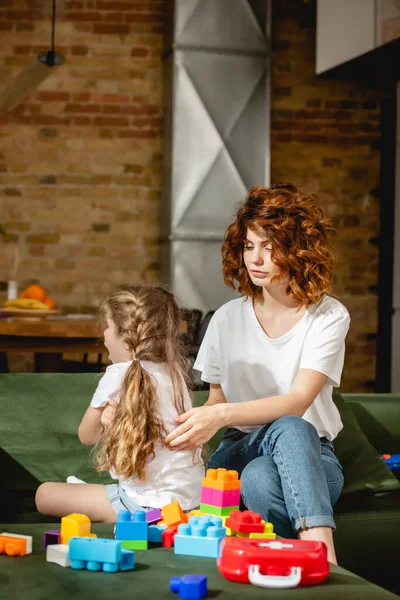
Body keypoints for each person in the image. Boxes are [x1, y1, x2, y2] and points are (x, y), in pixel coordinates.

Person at [165, 183, 350, 564]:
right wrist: (203, 422)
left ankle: (282, 560)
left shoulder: (329, 316)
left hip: (313, 458)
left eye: (270, 246)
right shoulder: (227, 318)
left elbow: (298, 402)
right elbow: (218, 399)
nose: (257, 258)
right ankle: (325, 558)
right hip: (239, 448)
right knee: (261, 459)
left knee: (268, 465)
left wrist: (221, 413)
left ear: (299, 249)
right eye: (250, 246)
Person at [36, 284, 204, 523]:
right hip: (191, 505)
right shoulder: (174, 374)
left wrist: (106, 424)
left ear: (124, 338)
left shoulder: (117, 374)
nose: (104, 334)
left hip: (144, 508)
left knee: (44, 494)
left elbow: (87, 435)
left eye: (108, 327)